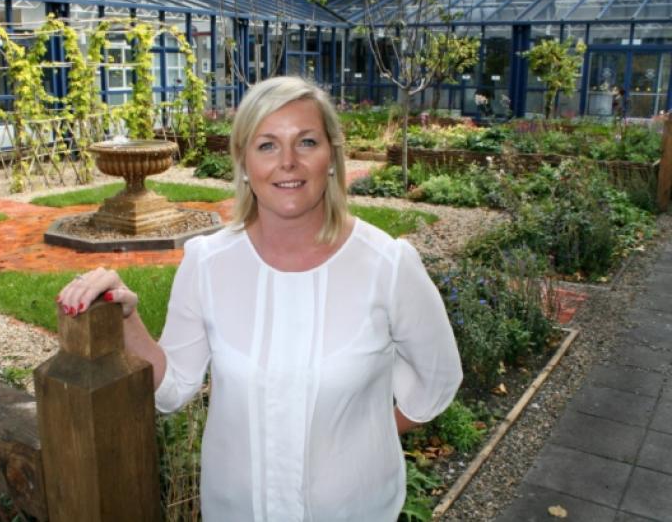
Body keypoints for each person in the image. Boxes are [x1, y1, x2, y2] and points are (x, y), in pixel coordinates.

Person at [57, 76, 463, 521]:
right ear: (244, 164)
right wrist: (126, 318)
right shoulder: (208, 263)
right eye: (267, 145)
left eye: (306, 141)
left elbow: (437, 379)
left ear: (332, 157)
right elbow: (173, 389)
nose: (287, 162)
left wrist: (365, 439)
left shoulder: (387, 265)